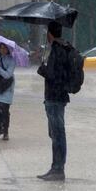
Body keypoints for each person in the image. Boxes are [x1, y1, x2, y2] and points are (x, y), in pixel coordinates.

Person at [37, 21, 69, 181]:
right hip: (59, 97)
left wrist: (42, 69)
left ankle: (58, 169)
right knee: (56, 133)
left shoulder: (57, 50)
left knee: (57, 134)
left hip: (54, 98)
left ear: (50, 34)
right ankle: (56, 167)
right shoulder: (63, 48)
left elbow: (54, 76)